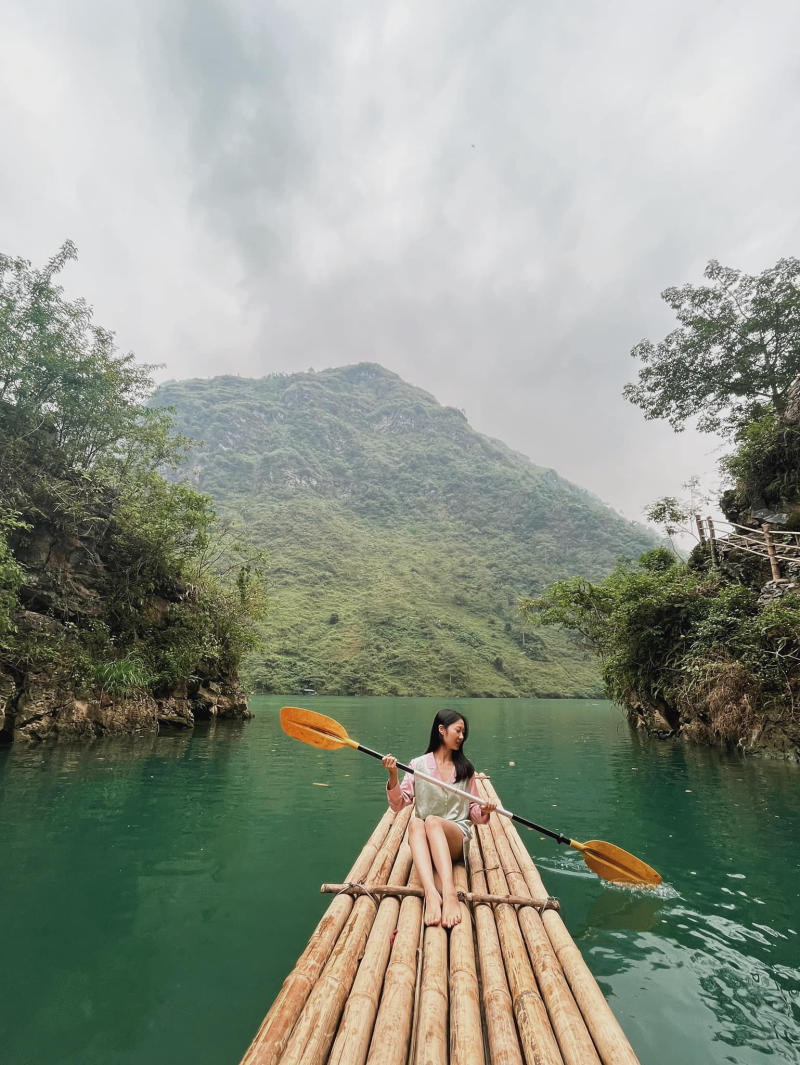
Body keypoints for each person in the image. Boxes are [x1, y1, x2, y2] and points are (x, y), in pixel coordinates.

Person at [382, 709, 496, 929]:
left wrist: (486, 810)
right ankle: (432, 894)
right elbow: (398, 804)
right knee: (417, 822)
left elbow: (474, 811)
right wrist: (393, 775)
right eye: (458, 731)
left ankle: (450, 894)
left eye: (464, 732)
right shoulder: (418, 765)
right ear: (442, 730)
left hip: (455, 837)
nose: (462, 736)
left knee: (432, 821)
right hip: (426, 837)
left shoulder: (466, 769)